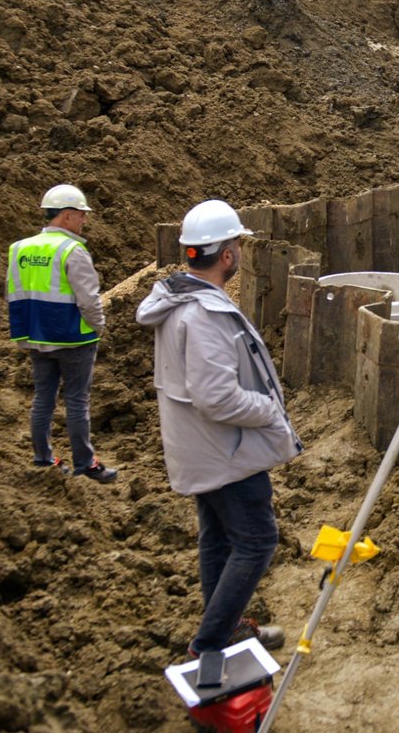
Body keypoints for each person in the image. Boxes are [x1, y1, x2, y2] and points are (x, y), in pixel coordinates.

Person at [136, 199, 302, 662]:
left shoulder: (180, 298)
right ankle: (210, 644)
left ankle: (224, 628)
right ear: (226, 255)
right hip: (227, 452)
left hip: (202, 449)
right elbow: (218, 398)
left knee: (219, 539)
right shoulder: (204, 314)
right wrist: (269, 409)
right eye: (238, 246)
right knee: (256, 541)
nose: (241, 254)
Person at [6, 183, 118, 483]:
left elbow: (14, 292)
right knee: (77, 400)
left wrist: (23, 332)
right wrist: (99, 326)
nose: (84, 220)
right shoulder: (73, 250)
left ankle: (43, 458)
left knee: (43, 398)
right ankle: (85, 463)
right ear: (67, 216)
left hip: (36, 335)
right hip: (72, 337)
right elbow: (89, 300)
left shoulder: (20, 248)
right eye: (81, 214)